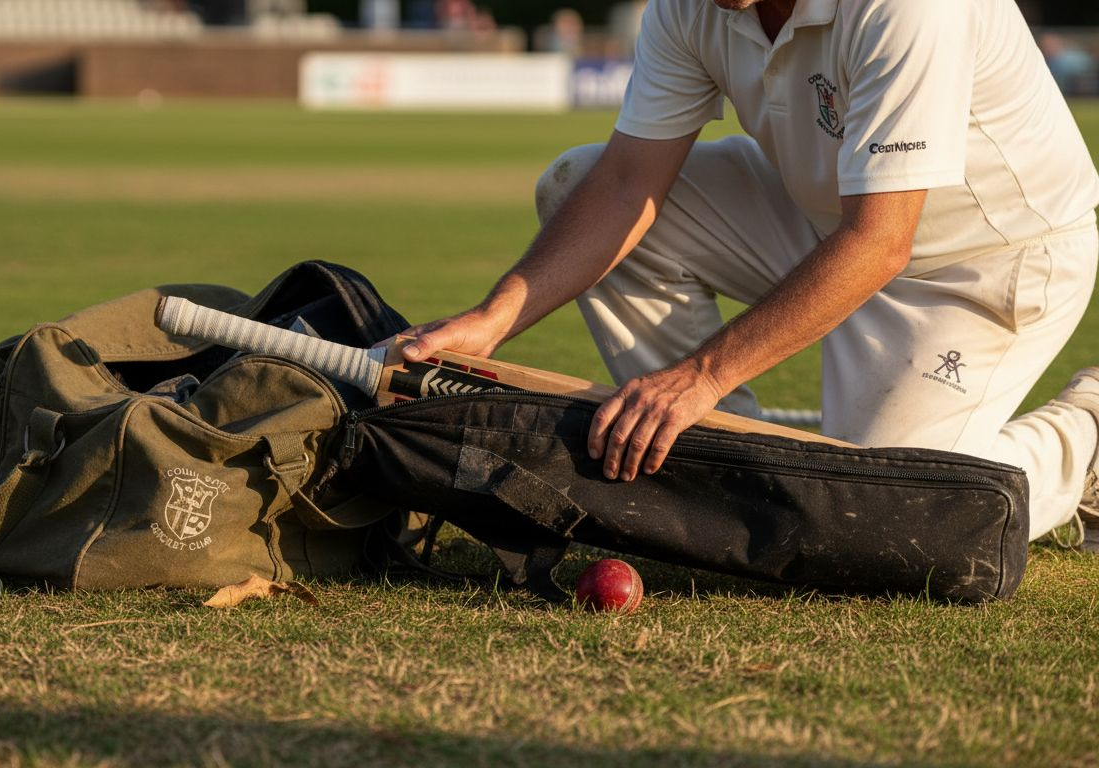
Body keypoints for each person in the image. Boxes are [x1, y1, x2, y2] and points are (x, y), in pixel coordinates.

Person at [400, 0, 1099, 550]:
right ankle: (719, 473)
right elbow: (622, 187)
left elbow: (882, 241)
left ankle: (1085, 438)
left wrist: (702, 375)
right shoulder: (691, 5)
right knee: (574, 180)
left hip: (984, 264)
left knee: (873, 520)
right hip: (828, 214)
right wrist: (493, 319)